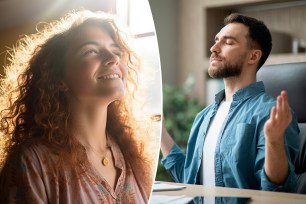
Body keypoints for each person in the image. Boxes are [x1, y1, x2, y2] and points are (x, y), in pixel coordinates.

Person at [0, 10, 155, 203]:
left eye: (116, 51)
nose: (113, 58)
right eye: (91, 51)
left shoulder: (133, 158)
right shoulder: (33, 162)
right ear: (59, 77)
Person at [160, 13, 300, 196]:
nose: (213, 48)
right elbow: (189, 181)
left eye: (228, 42)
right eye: (216, 40)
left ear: (253, 56)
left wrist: (274, 142)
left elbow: (278, 192)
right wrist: (160, 132)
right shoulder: (203, 117)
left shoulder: (272, 114)